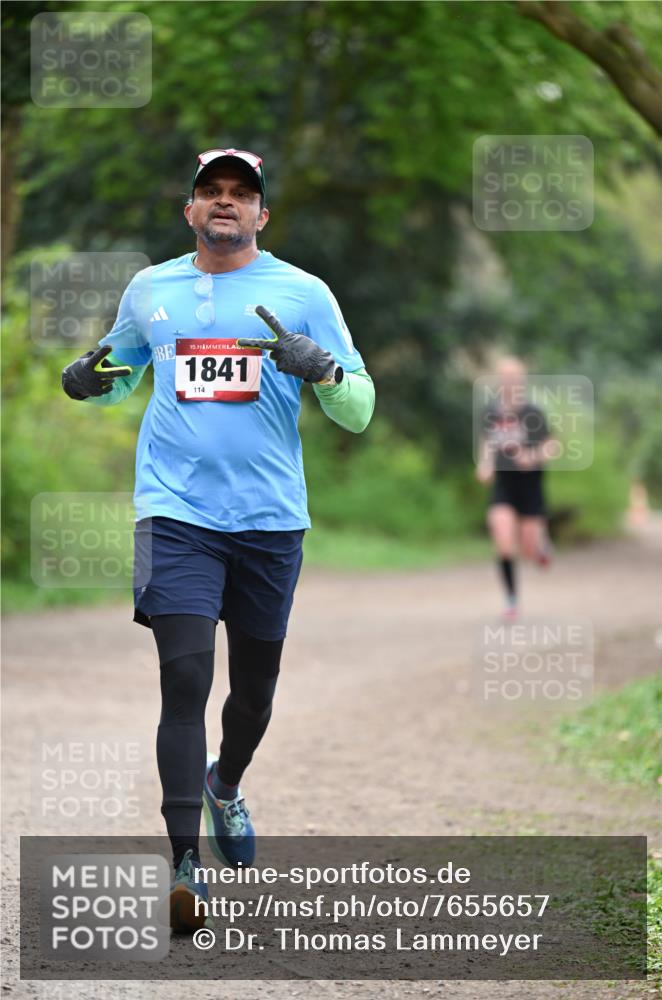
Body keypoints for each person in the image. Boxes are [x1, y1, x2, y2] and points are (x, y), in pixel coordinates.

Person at [61, 147, 375, 932]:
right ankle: (184, 867)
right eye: (212, 192)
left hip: (270, 520)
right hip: (173, 513)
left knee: (253, 696)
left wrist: (323, 371)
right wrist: (88, 382)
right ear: (189, 209)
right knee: (184, 681)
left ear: (262, 214)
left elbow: (360, 407)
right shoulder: (151, 288)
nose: (225, 202)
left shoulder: (303, 293)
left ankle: (225, 783)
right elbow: (123, 369)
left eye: (241, 194)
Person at [476, 357, 554, 620]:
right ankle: (511, 600)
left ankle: (540, 546)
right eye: (504, 378)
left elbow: (551, 445)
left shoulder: (532, 412)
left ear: (521, 381)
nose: (509, 383)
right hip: (504, 484)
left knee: (529, 549)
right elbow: (488, 442)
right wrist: (485, 464)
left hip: (530, 485)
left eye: (514, 378)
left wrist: (531, 456)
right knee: (502, 536)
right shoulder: (492, 412)